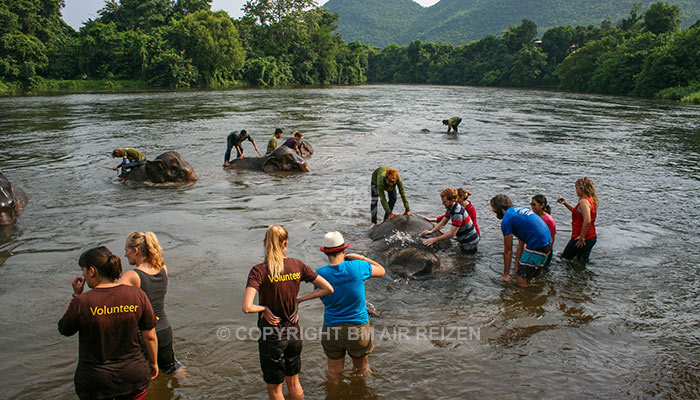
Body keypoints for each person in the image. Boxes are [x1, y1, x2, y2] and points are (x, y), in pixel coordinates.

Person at [242, 225, 333, 400]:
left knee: (276, 389)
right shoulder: (297, 265)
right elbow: (328, 288)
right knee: (294, 382)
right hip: (294, 334)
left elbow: (247, 307)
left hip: (271, 336)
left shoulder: (258, 271)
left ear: (265, 243)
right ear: (285, 243)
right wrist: (299, 300)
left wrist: (264, 308)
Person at [58, 246, 158, 400]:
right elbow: (150, 336)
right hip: (134, 376)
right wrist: (153, 363)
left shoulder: (82, 302)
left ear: (92, 271)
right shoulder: (137, 295)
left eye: (83, 270)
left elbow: (64, 329)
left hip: (95, 382)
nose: (83, 275)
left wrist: (76, 295)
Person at [315, 231, 385, 381]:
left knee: (333, 372)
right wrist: (361, 257)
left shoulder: (319, 274)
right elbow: (382, 270)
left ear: (326, 253)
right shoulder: (358, 266)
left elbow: (323, 297)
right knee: (362, 369)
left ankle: (333, 395)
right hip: (358, 327)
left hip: (332, 328)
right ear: (344, 250)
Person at [119, 231, 185, 378]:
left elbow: (109, 296)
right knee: (172, 367)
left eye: (126, 251)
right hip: (164, 329)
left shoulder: (132, 276)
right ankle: (192, 387)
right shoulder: (163, 268)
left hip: (143, 335)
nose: (125, 255)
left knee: (146, 376)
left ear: (135, 251)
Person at [490, 194, 552, 285]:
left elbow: (508, 250)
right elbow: (521, 242)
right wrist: (517, 265)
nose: (494, 211)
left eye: (494, 209)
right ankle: (535, 296)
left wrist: (506, 274)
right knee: (531, 277)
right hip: (547, 243)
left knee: (520, 278)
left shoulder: (507, 219)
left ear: (498, 207)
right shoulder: (516, 211)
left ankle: (525, 298)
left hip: (537, 244)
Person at [420, 188, 480, 254]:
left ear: (453, 200)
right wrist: (431, 231)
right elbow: (443, 222)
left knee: (463, 260)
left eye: (445, 201)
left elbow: (452, 234)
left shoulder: (458, 213)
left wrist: (434, 240)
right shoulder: (450, 208)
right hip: (463, 238)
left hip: (470, 242)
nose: (443, 203)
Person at [558, 177, 599, 263]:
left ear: (582, 188)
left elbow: (587, 220)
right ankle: (581, 275)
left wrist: (581, 237)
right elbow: (577, 212)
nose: (576, 191)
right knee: (581, 261)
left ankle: (569, 276)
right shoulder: (591, 201)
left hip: (582, 238)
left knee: (564, 259)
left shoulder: (584, 202)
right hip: (591, 237)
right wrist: (565, 203)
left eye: (576, 188)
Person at [531, 194, 556, 266]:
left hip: (544, 248)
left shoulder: (549, 220)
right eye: (531, 204)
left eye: (534, 205)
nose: (532, 207)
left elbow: (552, 238)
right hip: (533, 246)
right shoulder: (531, 215)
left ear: (542, 205)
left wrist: (547, 251)